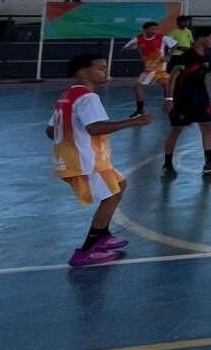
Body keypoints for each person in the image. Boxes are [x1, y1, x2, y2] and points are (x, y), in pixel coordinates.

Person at [47, 52, 151, 267]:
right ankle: (87, 250)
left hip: (75, 158)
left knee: (120, 185)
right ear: (85, 72)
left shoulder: (66, 96)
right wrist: (133, 122)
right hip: (85, 159)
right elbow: (94, 128)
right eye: (102, 68)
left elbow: (50, 130)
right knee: (113, 194)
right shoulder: (88, 97)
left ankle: (103, 235)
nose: (106, 71)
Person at [162, 27, 211, 178]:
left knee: (207, 127)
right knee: (177, 129)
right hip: (183, 98)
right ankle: (167, 164)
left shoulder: (207, 59)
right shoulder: (186, 56)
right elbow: (173, 77)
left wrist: (210, 99)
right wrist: (169, 99)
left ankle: (208, 163)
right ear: (200, 38)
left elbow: (206, 80)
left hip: (200, 98)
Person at [120, 20, 175, 115]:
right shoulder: (138, 39)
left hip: (159, 67)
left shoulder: (162, 38)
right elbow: (124, 49)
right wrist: (131, 48)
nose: (154, 31)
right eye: (152, 29)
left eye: (156, 29)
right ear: (145, 30)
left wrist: (169, 55)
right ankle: (140, 110)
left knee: (165, 84)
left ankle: (172, 104)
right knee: (138, 86)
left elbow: (174, 44)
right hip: (148, 68)